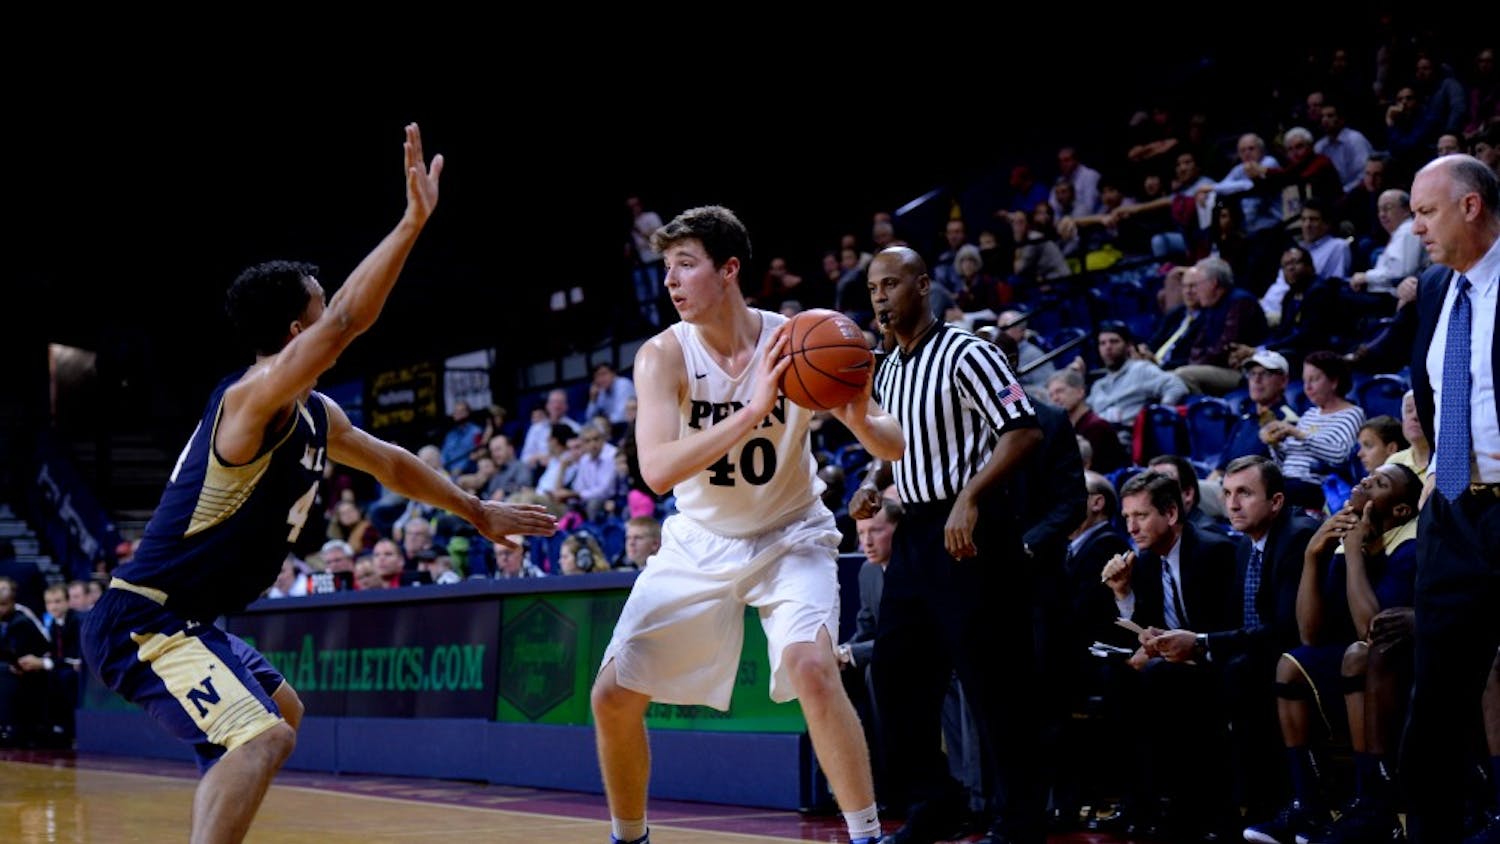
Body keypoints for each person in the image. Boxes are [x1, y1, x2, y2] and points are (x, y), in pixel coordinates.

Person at [78, 125, 558, 844]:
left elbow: (389, 462)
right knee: (259, 737)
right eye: (319, 300)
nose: (329, 304)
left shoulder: (314, 413)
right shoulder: (253, 400)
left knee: (281, 716)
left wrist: (474, 508)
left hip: (187, 621)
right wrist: (410, 223)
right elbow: (345, 323)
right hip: (143, 619)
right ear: (295, 324)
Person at [589, 206, 904, 844]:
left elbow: (893, 443)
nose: (672, 282)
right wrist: (754, 406)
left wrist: (859, 418)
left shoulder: (799, 338)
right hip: (699, 541)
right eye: (666, 268)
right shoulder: (662, 357)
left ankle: (868, 835)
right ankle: (631, 837)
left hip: (791, 531)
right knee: (611, 697)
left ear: (729, 269)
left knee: (813, 667)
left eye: (686, 265)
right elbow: (655, 471)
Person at [852, 245, 1045, 844]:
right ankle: (937, 801)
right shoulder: (885, 367)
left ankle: (1020, 818)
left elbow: (1024, 430)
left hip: (974, 533)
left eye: (891, 284)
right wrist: (871, 482)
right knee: (894, 673)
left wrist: (971, 497)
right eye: (873, 289)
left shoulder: (968, 352)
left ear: (924, 284)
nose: (881, 297)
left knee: (994, 682)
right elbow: (895, 450)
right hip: (914, 534)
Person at [1402, 153, 1500, 843]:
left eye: (1425, 212)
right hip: (1453, 513)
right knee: (1435, 696)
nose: (1416, 229)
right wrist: (1438, 468)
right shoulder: (1438, 288)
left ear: (1471, 206)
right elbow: (1433, 393)